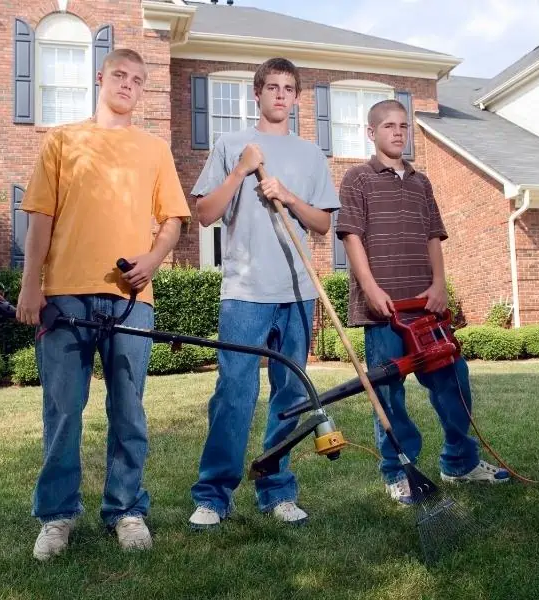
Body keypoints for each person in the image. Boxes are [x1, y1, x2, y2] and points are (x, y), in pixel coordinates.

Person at [16, 48, 191, 560]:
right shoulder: (63, 141)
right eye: (120, 75)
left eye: (138, 80)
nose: (128, 85)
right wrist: (32, 286)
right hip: (65, 294)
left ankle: (126, 509)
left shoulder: (155, 149)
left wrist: (154, 259)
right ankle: (56, 516)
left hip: (132, 299)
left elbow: (173, 222)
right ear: (101, 78)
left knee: (129, 410)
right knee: (64, 411)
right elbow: (40, 219)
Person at [187, 57, 341, 529]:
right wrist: (241, 171)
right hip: (244, 292)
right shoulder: (232, 144)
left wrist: (290, 196)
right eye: (271, 87)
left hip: (296, 293)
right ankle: (214, 495)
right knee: (234, 392)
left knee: (289, 395)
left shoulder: (312, 155)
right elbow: (204, 215)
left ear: (296, 97)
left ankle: (276, 489)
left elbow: (323, 225)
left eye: (288, 88)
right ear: (257, 93)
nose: (279, 95)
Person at [335, 99, 510, 505]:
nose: (398, 132)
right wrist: (371, 288)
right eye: (388, 126)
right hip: (385, 312)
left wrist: (440, 284)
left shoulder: (422, 182)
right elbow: (351, 237)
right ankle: (399, 472)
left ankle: (460, 463)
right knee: (390, 395)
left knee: (453, 382)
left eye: (403, 126)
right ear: (371, 133)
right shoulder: (357, 179)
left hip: (425, 307)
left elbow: (433, 236)